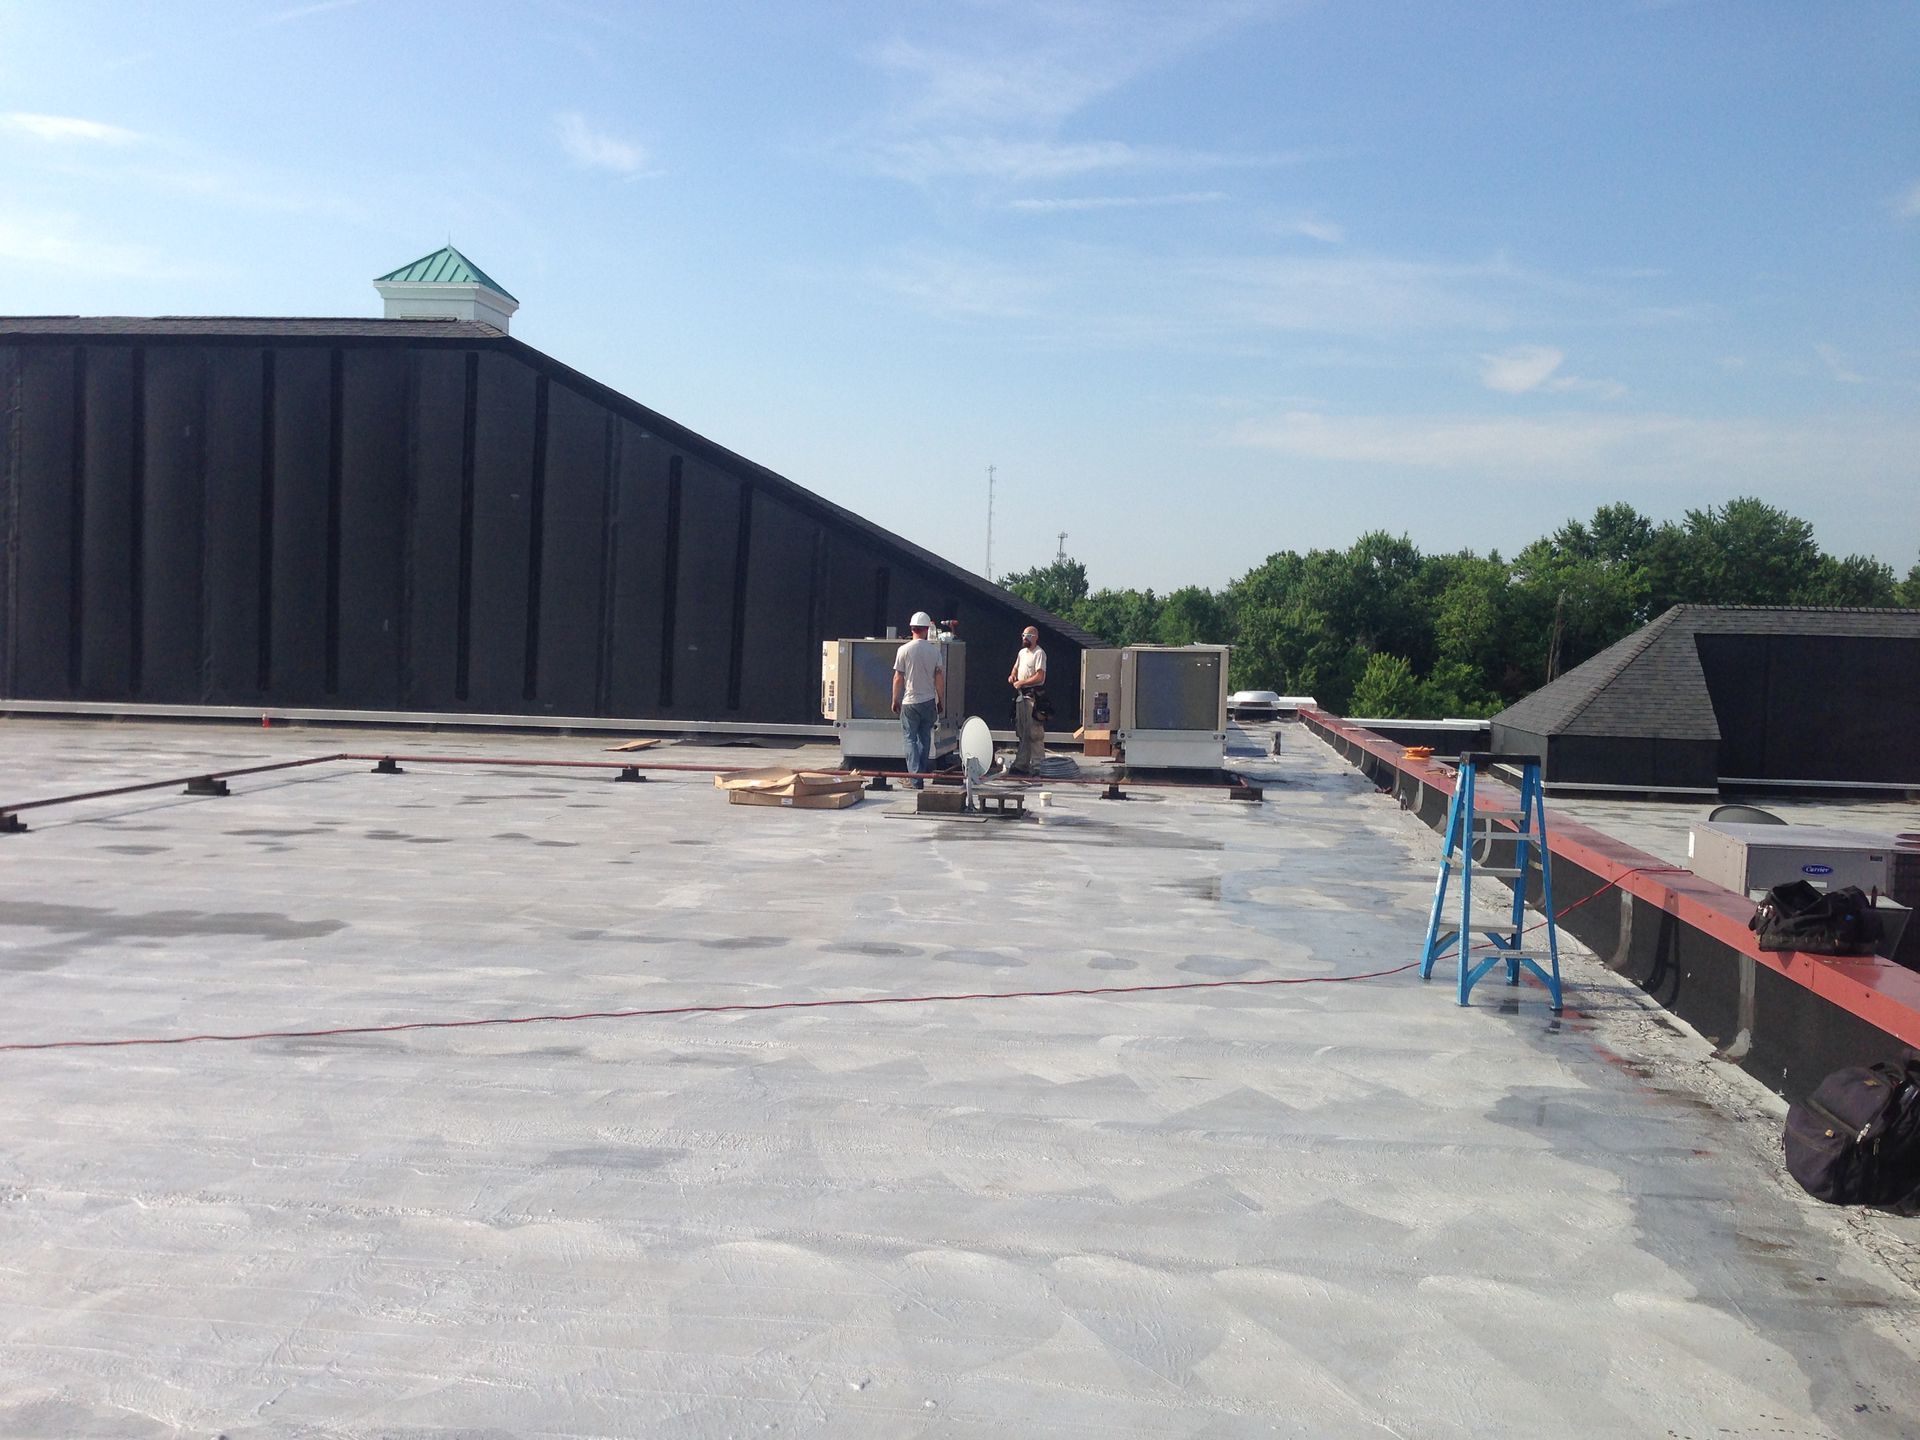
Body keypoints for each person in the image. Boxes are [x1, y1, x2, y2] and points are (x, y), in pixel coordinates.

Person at [890, 611, 945, 788]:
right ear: (927, 629)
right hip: (928, 700)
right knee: (925, 739)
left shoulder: (903, 650)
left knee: (909, 739)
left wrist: (895, 699)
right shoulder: (934, 650)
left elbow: (898, 677)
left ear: (912, 628)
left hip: (909, 702)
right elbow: (939, 677)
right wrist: (940, 700)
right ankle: (919, 775)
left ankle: (915, 778)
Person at [1007, 625, 1047, 774]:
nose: (1025, 638)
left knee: (1034, 732)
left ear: (1035, 637)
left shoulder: (1039, 653)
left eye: (1028, 636)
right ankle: (1022, 763)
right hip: (1020, 696)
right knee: (1022, 731)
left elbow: (1040, 676)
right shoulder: (1022, 653)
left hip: (1033, 697)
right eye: (1023, 635)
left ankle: (1038, 766)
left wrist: (1023, 682)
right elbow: (1015, 668)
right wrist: (1012, 676)